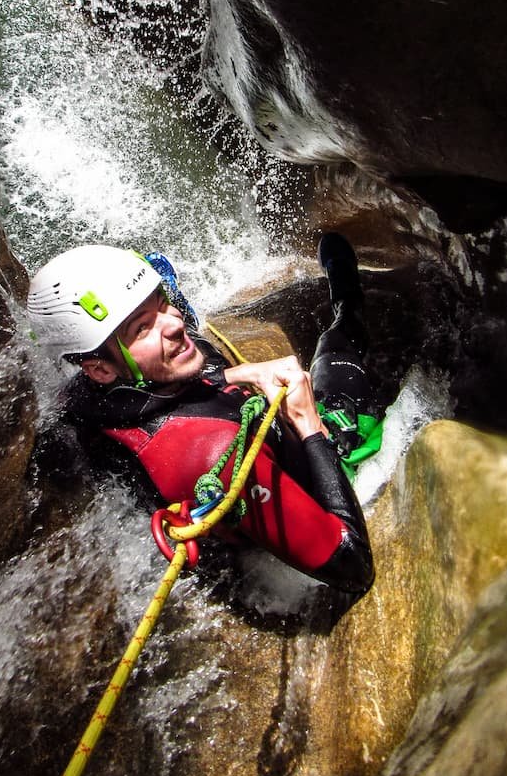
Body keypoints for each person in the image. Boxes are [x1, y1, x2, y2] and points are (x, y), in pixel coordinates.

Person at [28, 235, 377, 599]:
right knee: (336, 353)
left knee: (194, 338)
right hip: (298, 482)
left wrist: (242, 373)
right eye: (142, 328)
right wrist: (310, 426)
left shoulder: (96, 394)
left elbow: (163, 394)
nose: (174, 323)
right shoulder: (212, 456)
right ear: (99, 369)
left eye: (162, 303)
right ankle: (347, 303)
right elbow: (353, 566)